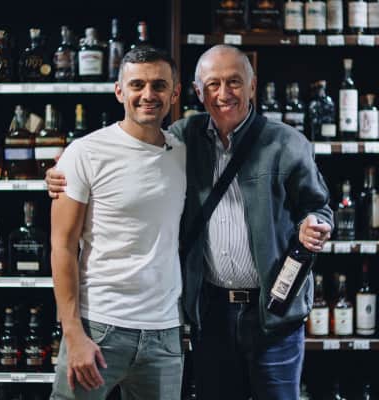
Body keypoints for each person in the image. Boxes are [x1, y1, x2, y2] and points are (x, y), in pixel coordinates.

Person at [47, 45, 333, 400]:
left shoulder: (284, 143)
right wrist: (63, 171)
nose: (224, 93)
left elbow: (318, 207)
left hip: (269, 314)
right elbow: (67, 234)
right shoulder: (185, 138)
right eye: (213, 84)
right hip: (206, 314)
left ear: (252, 85)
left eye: (234, 82)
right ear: (198, 92)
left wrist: (313, 224)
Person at [49, 46, 185, 400]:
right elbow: (62, 246)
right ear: (119, 91)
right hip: (98, 326)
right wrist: (73, 333)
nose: (148, 94)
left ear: (175, 93)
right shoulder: (85, 153)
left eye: (159, 85)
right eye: (137, 84)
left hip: (164, 332)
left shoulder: (184, 154)